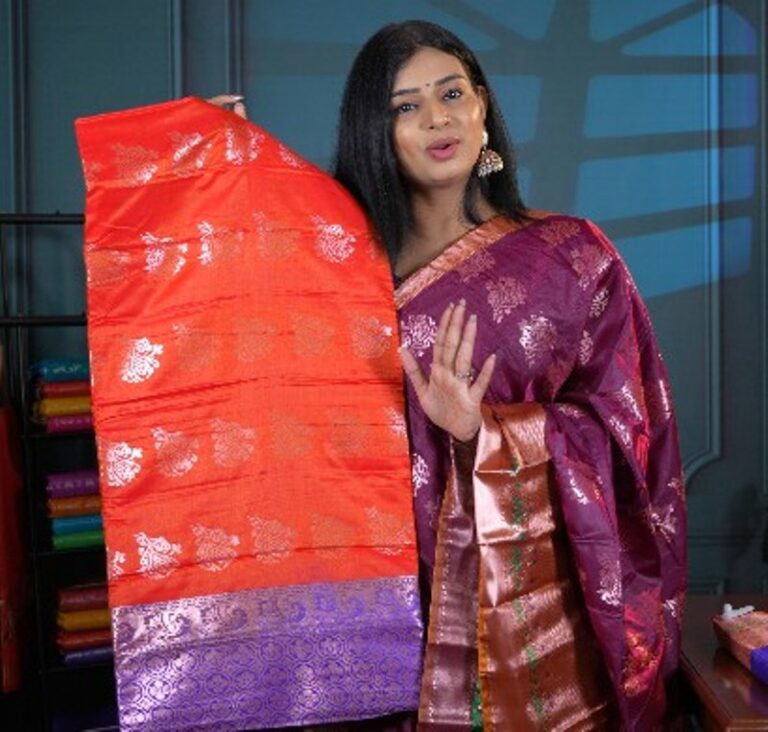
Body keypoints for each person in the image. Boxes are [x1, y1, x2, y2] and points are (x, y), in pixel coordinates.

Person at [215, 18, 685, 731]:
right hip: (366, 608)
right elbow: (238, 350)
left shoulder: (572, 258)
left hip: (513, 621)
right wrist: (220, 167)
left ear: (482, 108)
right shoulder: (333, 266)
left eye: (453, 93)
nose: (438, 118)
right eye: (405, 106)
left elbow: (630, 435)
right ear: (376, 132)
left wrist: (486, 433)